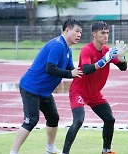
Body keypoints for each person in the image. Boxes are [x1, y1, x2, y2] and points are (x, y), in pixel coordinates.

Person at [10, 19, 83, 154]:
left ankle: (49, 148)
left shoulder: (67, 49)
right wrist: (70, 73)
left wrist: (88, 70)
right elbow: (50, 68)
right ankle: (13, 152)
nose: (79, 35)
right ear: (67, 30)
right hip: (31, 88)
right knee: (31, 120)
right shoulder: (58, 45)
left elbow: (72, 71)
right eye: (77, 31)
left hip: (44, 92)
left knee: (53, 117)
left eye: (81, 32)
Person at [62, 21, 128, 154]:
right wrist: (104, 60)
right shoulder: (87, 49)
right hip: (79, 91)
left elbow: (123, 68)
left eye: (107, 33)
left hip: (95, 94)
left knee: (110, 119)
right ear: (94, 34)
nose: (106, 36)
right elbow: (86, 69)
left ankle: (106, 150)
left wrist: (122, 58)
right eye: (102, 33)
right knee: (78, 121)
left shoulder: (107, 51)